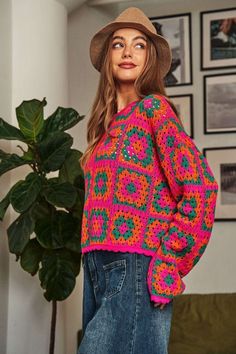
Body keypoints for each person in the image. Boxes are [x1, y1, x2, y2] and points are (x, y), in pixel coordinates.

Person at [78, 7, 218, 354]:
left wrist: (169, 261)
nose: (127, 52)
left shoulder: (154, 111)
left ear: (150, 58)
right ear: (108, 56)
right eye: (118, 44)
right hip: (97, 267)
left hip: (135, 267)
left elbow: (200, 189)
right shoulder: (105, 129)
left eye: (139, 45)